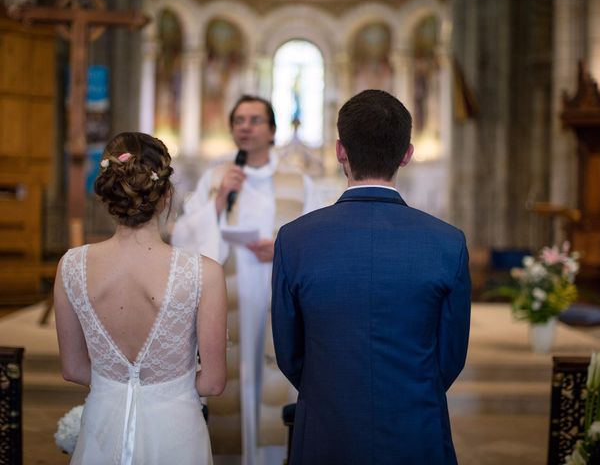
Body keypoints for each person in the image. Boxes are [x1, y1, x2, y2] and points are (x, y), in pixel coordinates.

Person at [271, 89, 472, 464]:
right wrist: (411, 391)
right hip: (417, 428)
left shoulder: (295, 239)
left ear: (340, 151)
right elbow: (450, 355)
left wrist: (330, 387)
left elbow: (289, 352)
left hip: (327, 430)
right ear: (407, 154)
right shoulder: (447, 243)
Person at [54, 132, 227, 464]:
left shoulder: (71, 266)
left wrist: (116, 385)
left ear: (110, 194)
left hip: (102, 426)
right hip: (176, 430)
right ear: (165, 194)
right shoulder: (204, 272)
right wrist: (164, 386)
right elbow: (214, 382)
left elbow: (73, 369)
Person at [172, 95, 320, 465]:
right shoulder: (216, 177)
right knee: (233, 374)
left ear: (271, 130)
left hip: (275, 293)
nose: (245, 126)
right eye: (239, 120)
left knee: (271, 371)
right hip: (229, 295)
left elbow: (318, 237)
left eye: (255, 120)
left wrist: (283, 249)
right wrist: (219, 201)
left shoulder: (299, 181)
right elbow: (183, 236)